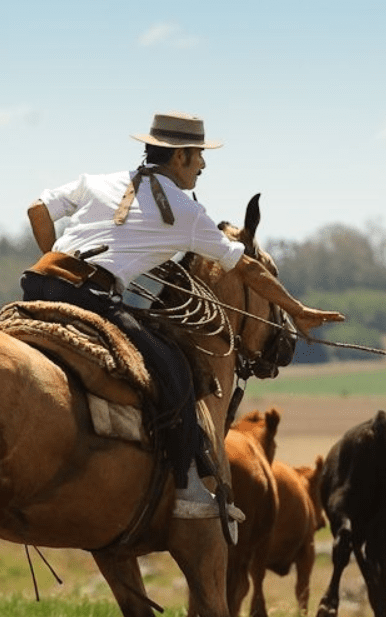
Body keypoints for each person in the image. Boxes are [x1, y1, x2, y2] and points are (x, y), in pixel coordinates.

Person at [21, 111, 342, 519]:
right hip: (91, 298)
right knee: (175, 373)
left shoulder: (97, 181)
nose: (203, 165)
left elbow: (37, 210)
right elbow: (246, 267)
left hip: (36, 284)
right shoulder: (185, 212)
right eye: (199, 155)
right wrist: (297, 311)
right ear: (180, 157)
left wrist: (58, 260)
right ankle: (190, 487)